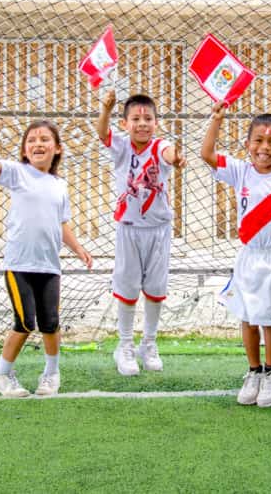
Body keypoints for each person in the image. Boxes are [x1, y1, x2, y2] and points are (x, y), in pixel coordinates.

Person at [0, 121, 92, 397]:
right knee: (26, 322)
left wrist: (78, 249)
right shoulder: (18, 173)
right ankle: (1, 374)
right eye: (32, 140)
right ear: (25, 150)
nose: (38, 144)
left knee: (50, 323)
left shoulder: (59, 185)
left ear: (58, 148)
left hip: (49, 266)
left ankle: (51, 374)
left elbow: (62, 224)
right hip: (19, 264)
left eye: (44, 139)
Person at [201, 102, 271, 408]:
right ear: (248, 145)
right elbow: (207, 154)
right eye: (258, 140)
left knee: (269, 320)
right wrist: (216, 120)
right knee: (246, 316)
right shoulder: (240, 172)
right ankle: (254, 371)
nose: (265, 147)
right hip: (248, 256)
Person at [97, 90, 185, 376]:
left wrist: (177, 157)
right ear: (125, 123)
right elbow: (102, 133)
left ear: (156, 123)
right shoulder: (121, 146)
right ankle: (124, 345)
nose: (142, 123)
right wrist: (106, 110)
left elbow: (168, 153)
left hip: (158, 229)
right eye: (136, 118)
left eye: (148, 118)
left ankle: (149, 343)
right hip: (129, 229)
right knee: (127, 287)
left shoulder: (161, 146)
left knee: (156, 289)